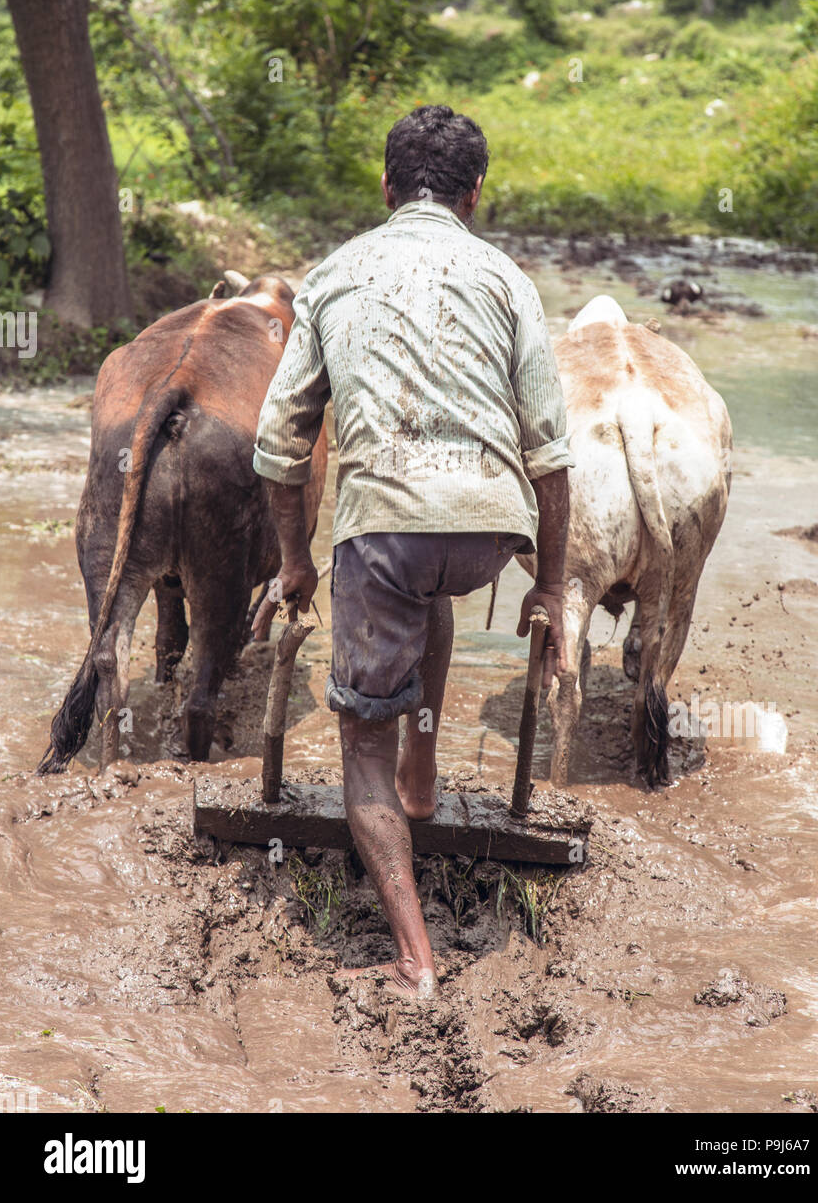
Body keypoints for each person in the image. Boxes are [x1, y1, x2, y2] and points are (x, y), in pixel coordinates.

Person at [252, 104, 571, 997]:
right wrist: (548, 585)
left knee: (360, 747)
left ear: (386, 187)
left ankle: (415, 961)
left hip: (384, 527)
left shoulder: (335, 272)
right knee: (429, 589)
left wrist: (294, 562)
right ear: (477, 194)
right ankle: (422, 775)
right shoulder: (507, 276)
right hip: (488, 529)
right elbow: (550, 450)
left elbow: (280, 445)